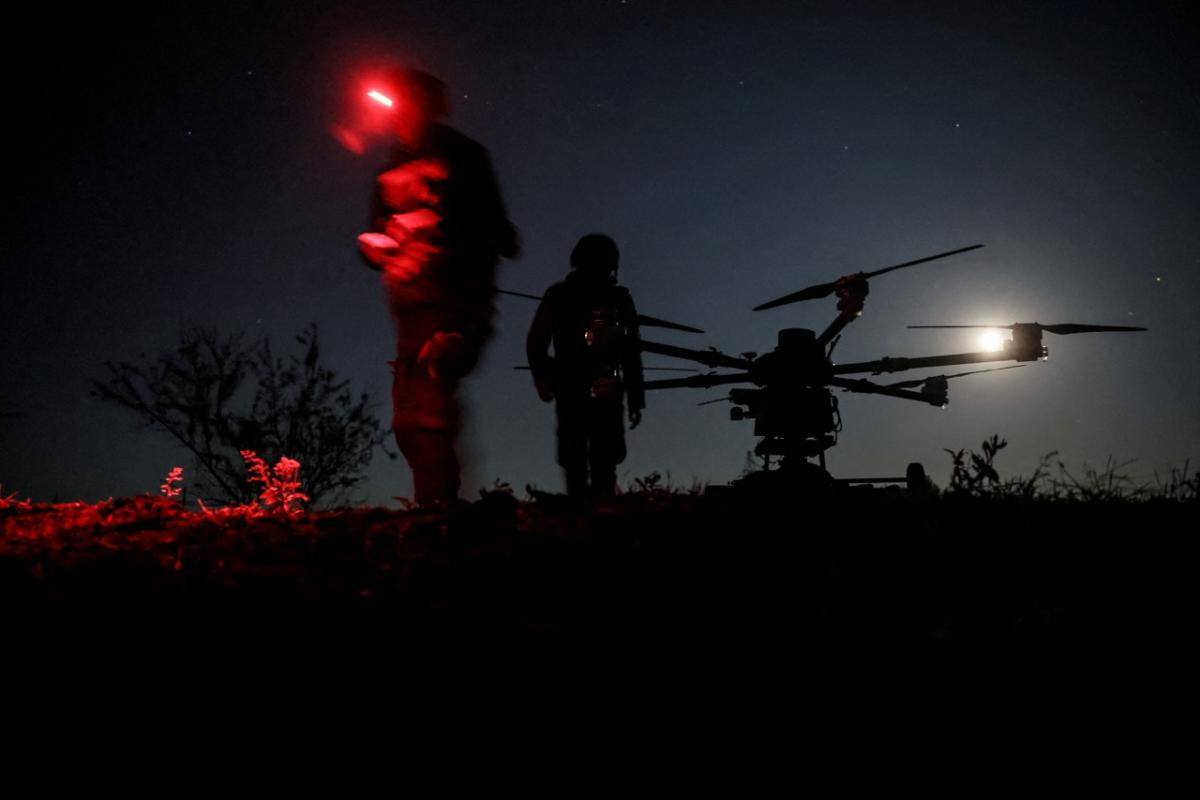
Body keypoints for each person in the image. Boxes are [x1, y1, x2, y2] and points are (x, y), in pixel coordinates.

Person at [358, 68, 519, 507]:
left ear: (428, 104)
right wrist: (376, 246)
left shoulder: (464, 156)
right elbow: (377, 230)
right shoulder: (391, 167)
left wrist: (456, 254)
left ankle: (440, 508)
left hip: (454, 298)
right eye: (396, 103)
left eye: (408, 100)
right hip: (409, 303)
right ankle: (434, 504)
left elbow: (499, 233)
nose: (398, 112)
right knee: (408, 417)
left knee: (432, 396)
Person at [526, 234, 645, 502]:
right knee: (575, 456)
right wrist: (544, 379)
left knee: (604, 457)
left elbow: (631, 352)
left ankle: (599, 511)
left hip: (606, 389)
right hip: (571, 387)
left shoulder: (619, 300)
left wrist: (636, 397)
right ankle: (581, 512)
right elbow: (536, 344)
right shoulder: (559, 296)